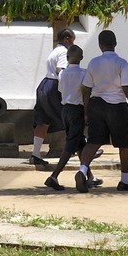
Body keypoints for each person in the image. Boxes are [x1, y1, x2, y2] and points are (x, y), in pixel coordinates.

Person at [78, 29, 128, 192]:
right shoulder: (122, 63)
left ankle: (82, 171)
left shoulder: (93, 63)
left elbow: (86, 89)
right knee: (125, 144)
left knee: (93, 141)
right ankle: (125, 181)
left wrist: (86, 112)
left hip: (96, 104)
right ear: (115, 44)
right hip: (117, 106)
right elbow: (127, 88)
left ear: (100, 45)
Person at [45, 44, 89, 191]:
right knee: (71, 144)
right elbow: (85, 94)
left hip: (65, 109)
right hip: (78, 110)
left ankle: (89, 175)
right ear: (82, 58)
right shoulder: (84, 73)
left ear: (67, 58)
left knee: (79, 142)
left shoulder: (62, 74)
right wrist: (86, 113)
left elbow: (61, 90)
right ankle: (54, 176)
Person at [31, 27, 76, 167]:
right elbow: (62, 72)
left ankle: (35, 154)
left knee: (43, 121)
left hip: (44, 86)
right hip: (54, 87)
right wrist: (66, 90)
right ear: (67, 39)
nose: (73, 44)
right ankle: (84, 147)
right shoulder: (64, 52)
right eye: (73, 41)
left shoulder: (55, 51)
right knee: (70, 118)